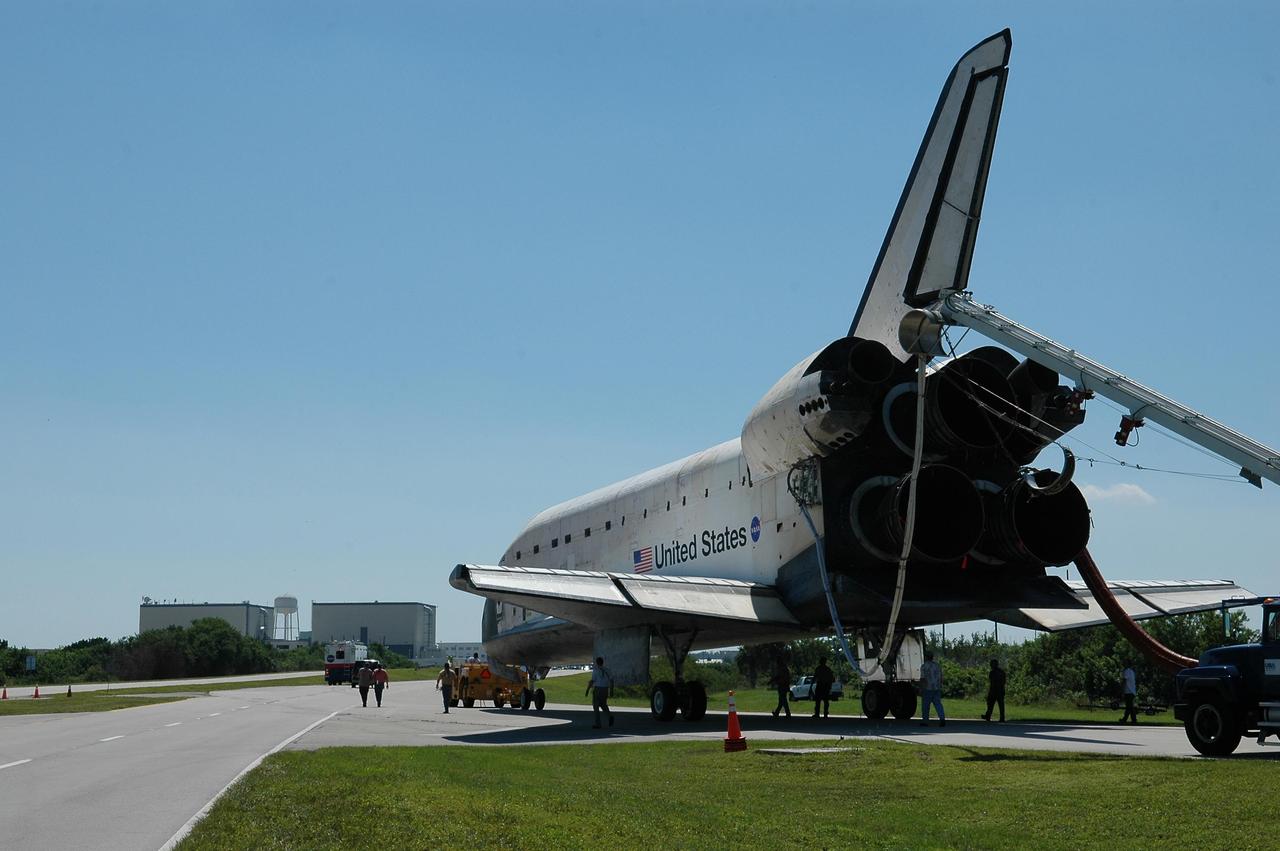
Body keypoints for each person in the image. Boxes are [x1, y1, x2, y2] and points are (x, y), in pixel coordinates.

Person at [585, 656, 614, 728]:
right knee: (603, 704)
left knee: (596, 706)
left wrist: (587, 690)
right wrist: (611, 691)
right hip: (605, 689)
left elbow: (592, 681)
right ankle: (609, 716)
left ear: (597, 663)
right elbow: (611, 681)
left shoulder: (596, 670)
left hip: (598, 689)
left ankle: (598, 724)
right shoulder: (608, 670)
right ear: (602, 662)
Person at [919, 651, 945, 727]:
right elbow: (941, 677)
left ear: (926, 657)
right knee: (938, 704)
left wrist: (921, 688)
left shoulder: (924, 666)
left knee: (925, 706)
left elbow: (923, 679)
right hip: (936, 687)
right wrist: (940, 685)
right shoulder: (937, 666)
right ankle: (942, 718)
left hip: (927, 688)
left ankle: (925, 721)